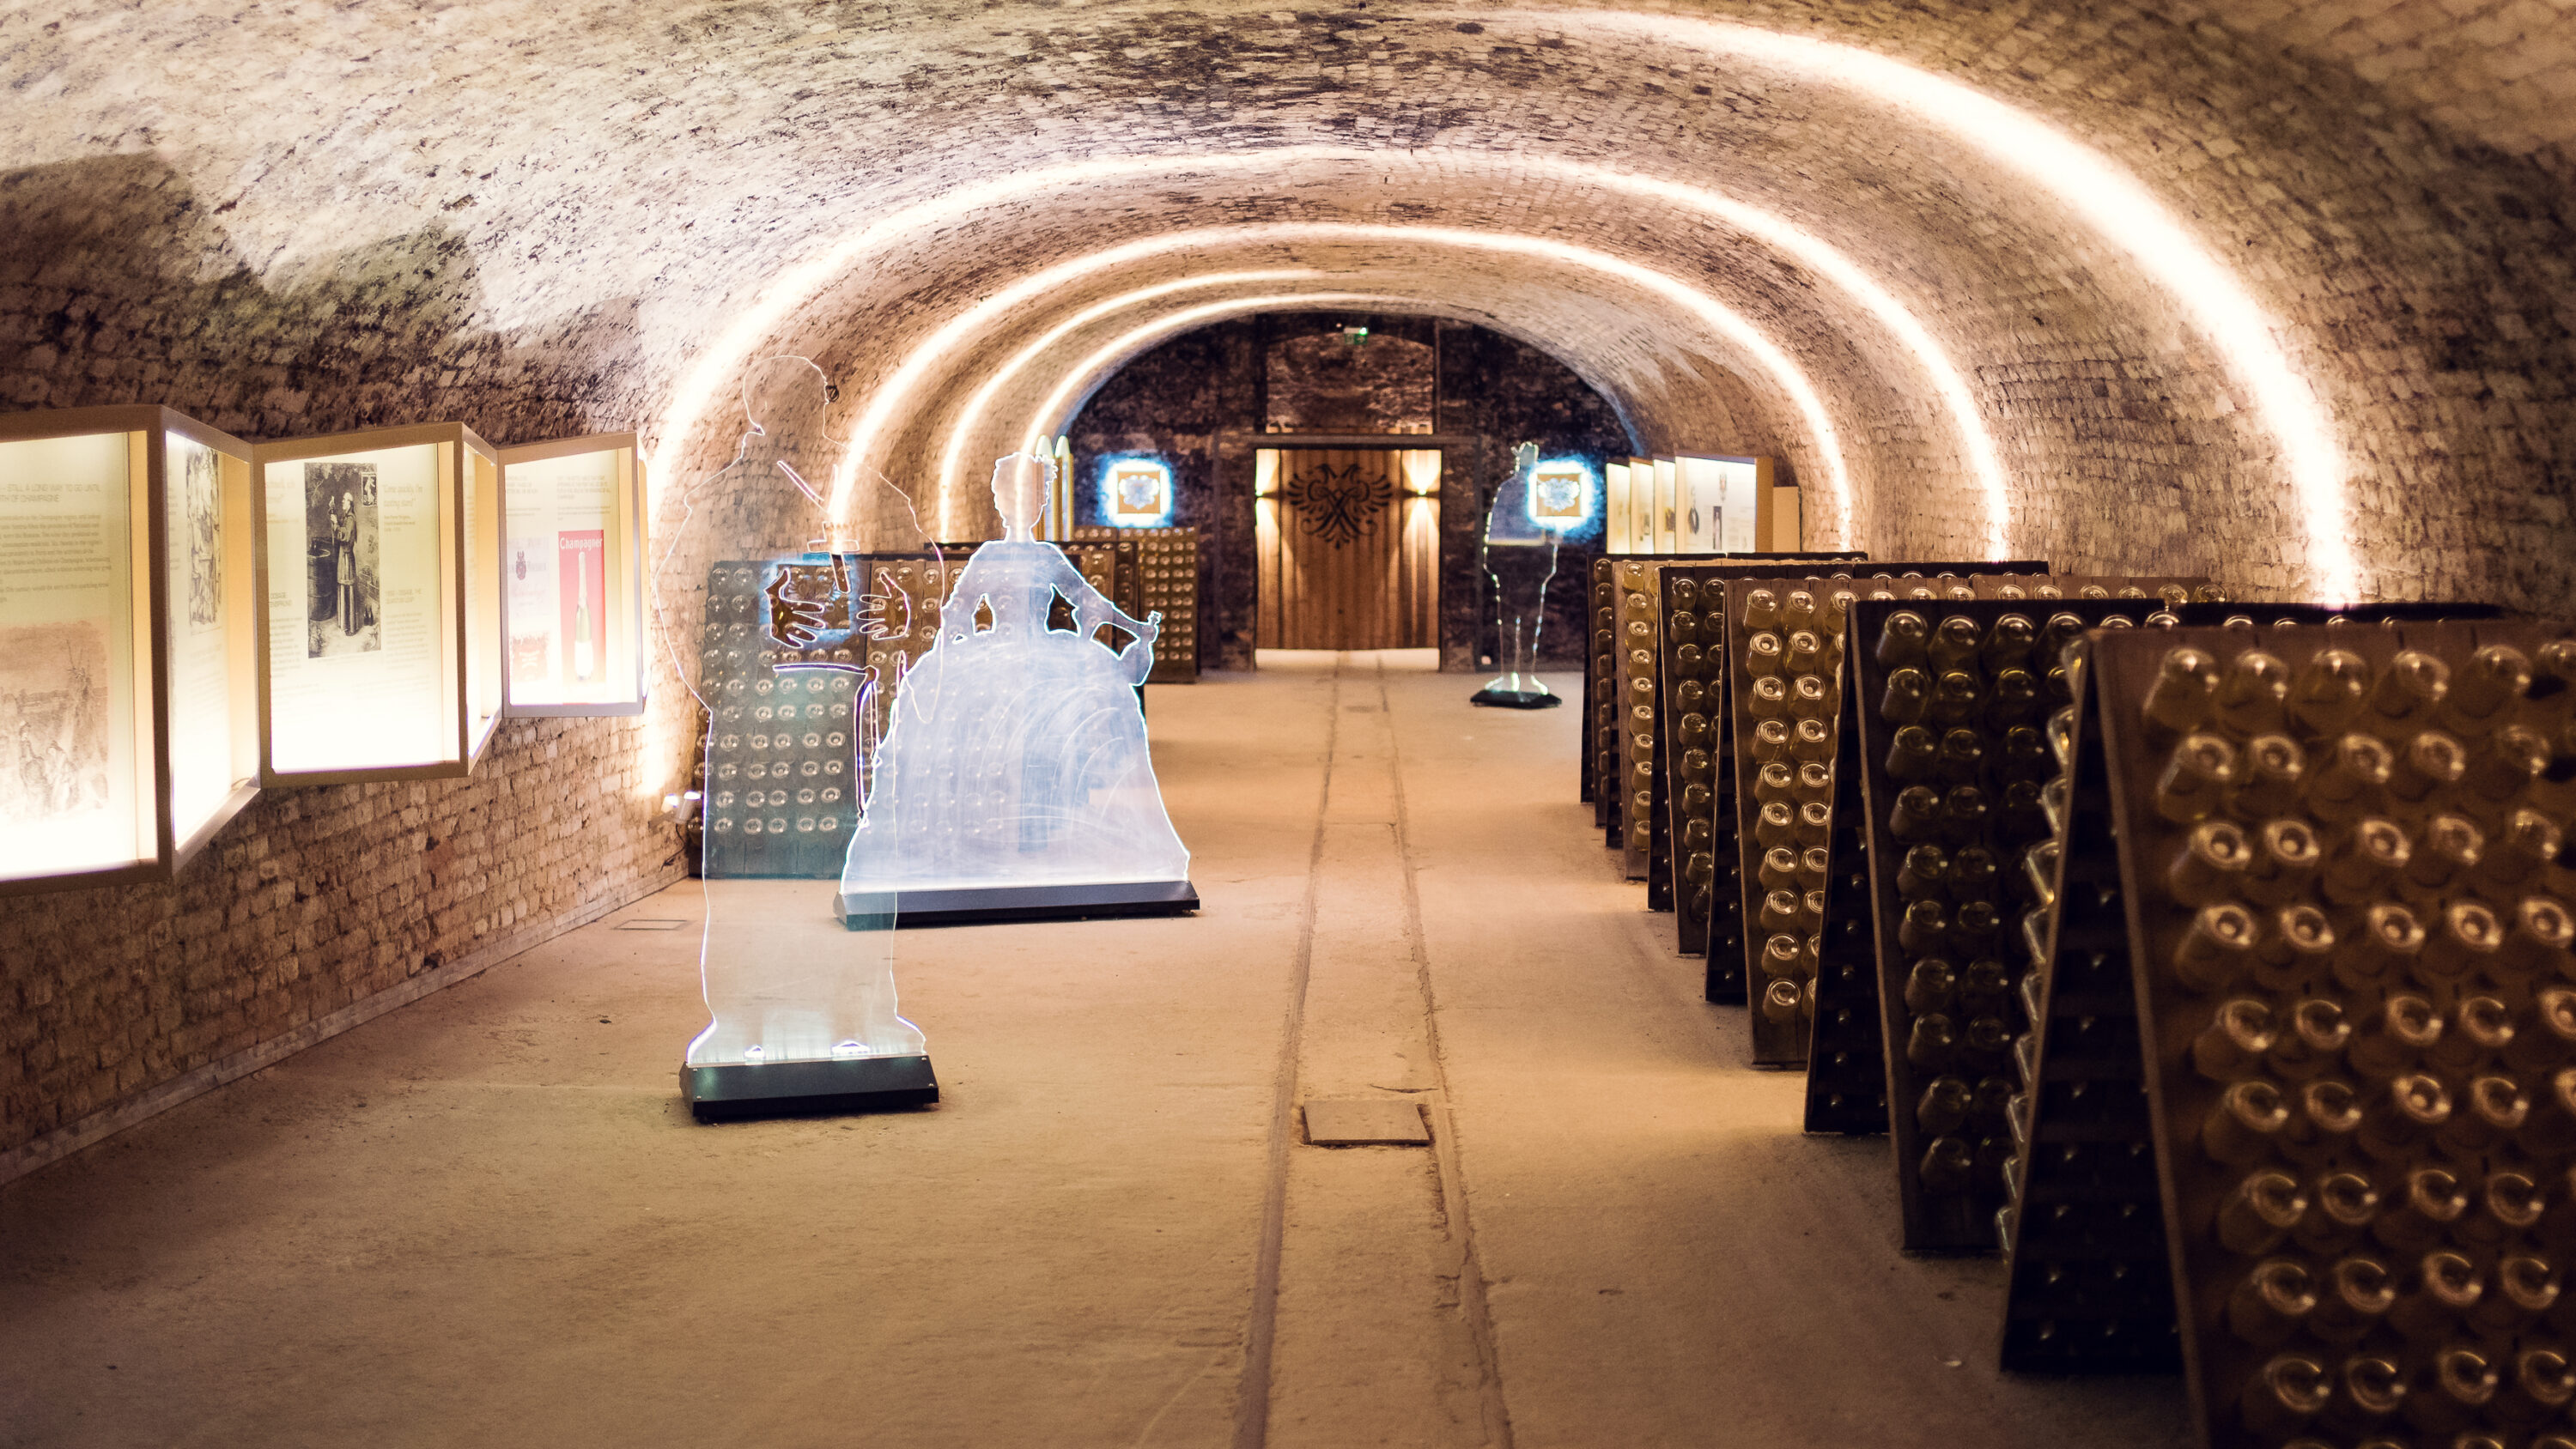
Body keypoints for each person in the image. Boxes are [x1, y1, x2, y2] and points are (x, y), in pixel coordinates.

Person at [841, 452, 1188, 897]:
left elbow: (1091, 601)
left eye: (1036, 496)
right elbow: (959, 609)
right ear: (1001, 502)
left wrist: (1136, 629)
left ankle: (1038, 822)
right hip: (999, 650)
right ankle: (986, 828)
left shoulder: (1046, 555)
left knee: (1062, 715)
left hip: (1039, 649)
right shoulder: (991, 555)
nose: (1029, 505)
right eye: (1022, 495)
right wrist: (955, 646)